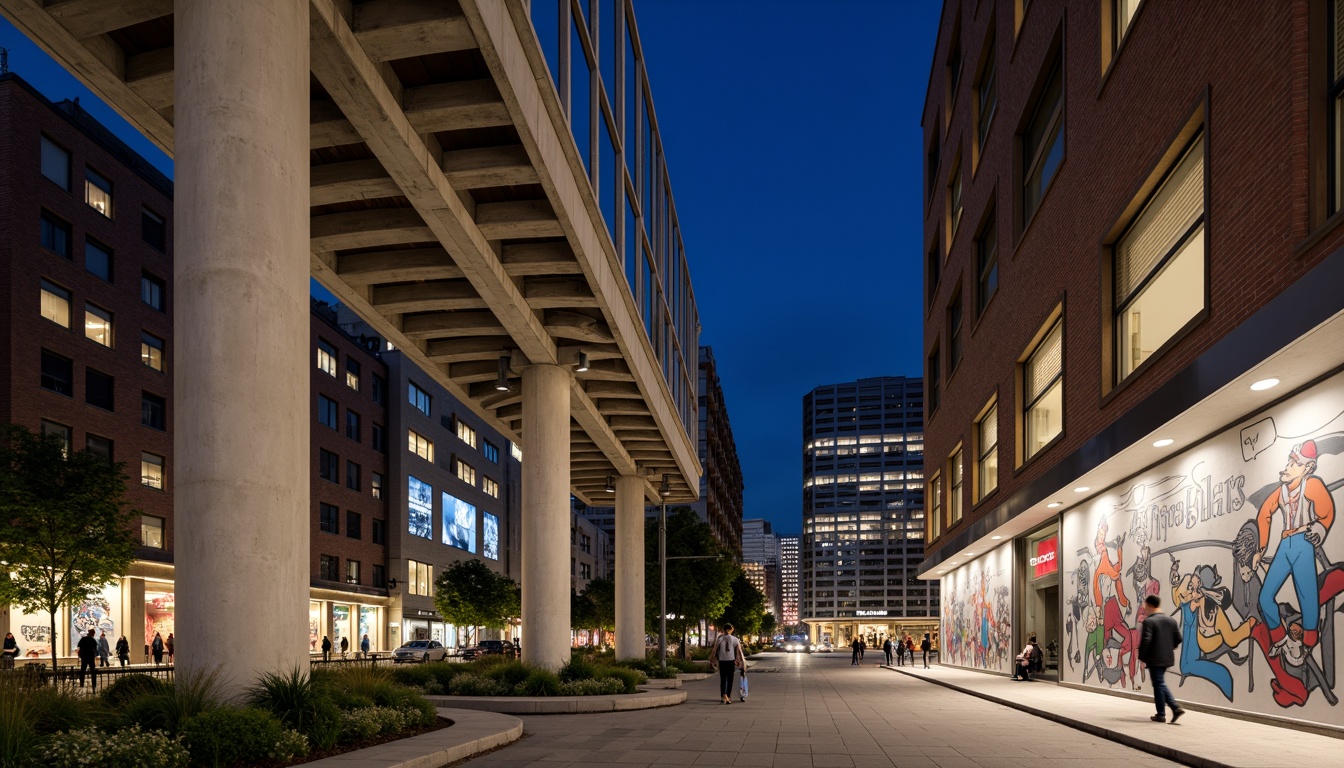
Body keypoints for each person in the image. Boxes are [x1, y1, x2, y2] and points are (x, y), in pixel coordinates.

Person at [1138, 594, 1184, 724]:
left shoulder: (1149, 621)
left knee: (1158, 683)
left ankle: (1165, 712)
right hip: (1167, 658)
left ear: (1149, 605)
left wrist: (1142, 656)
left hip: (1155, 657)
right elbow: (1178, 638)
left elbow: (1146, 640)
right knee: (1159, 682)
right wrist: (1170, 647)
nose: (1144, 608)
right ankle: (1172, 710)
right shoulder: (1171, 621)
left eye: (1145, 606)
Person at [711, 624, 745, 705]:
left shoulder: (720, 638)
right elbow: (739, 652)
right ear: (730, 629)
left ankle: (723, 697)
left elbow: (714, 650)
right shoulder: (735, 639)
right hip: (730, 661)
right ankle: (728, 696)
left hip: (722, 661)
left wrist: (712, 660)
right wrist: (742, 661)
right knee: (730, 680)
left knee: (723, 680)